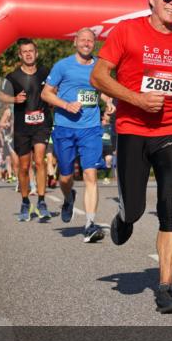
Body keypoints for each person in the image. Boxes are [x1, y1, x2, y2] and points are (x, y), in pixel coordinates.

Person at [90, 0, 172, 315]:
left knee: (169, 206)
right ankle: (125, 217)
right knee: (136, 209)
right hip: (132, 130)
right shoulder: (126, 31)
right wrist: (137, 99)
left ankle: (165, 288)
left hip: (170, 129)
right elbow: (98, 76)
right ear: (151, 0)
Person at [41, 27, 111, 242]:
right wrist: (65, 104)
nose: (86, 43)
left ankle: (90, 224)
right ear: (75, 42)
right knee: (65, 177)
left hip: (91, 128)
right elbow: (46, 93)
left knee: (91, 175)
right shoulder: (62, 66)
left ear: (94, 44)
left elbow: (104, 89)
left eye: (90, 40)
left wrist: (109, 101)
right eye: (83, 40)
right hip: (65, 127)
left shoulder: (100, 65)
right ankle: (68, 196)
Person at [0, 38, 53, 221]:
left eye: (31, 51)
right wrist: (14, 100)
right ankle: (25, 201)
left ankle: (42, 202)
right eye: (25, 52)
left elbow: (56, 89)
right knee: (23, 166)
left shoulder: (46, 72)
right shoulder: (12, 77)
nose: (28, 54)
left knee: (40, 160)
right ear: (20, 55)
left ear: (36, 53)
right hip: (22, 126)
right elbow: (1, 95)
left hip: (42, 123)